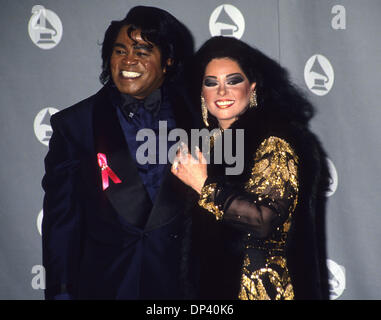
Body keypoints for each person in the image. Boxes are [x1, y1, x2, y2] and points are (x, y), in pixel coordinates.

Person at [42, 6, 196, 299]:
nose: (128, 60)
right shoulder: (75, 125)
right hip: (105, 286)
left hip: (180, 289)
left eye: (142, 51)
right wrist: (61, 292)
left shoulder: (199, 119)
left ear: (168, 61)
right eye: (119, 50)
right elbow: (61, 223)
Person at [171, 36, 330, 300]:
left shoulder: (275, 139)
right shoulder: (203, 144)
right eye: (211, 83)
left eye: (233, 81)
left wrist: (203, 185)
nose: (222, 92)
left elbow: (262, 220)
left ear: (252, 87)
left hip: (263, 291)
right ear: (201, 92)